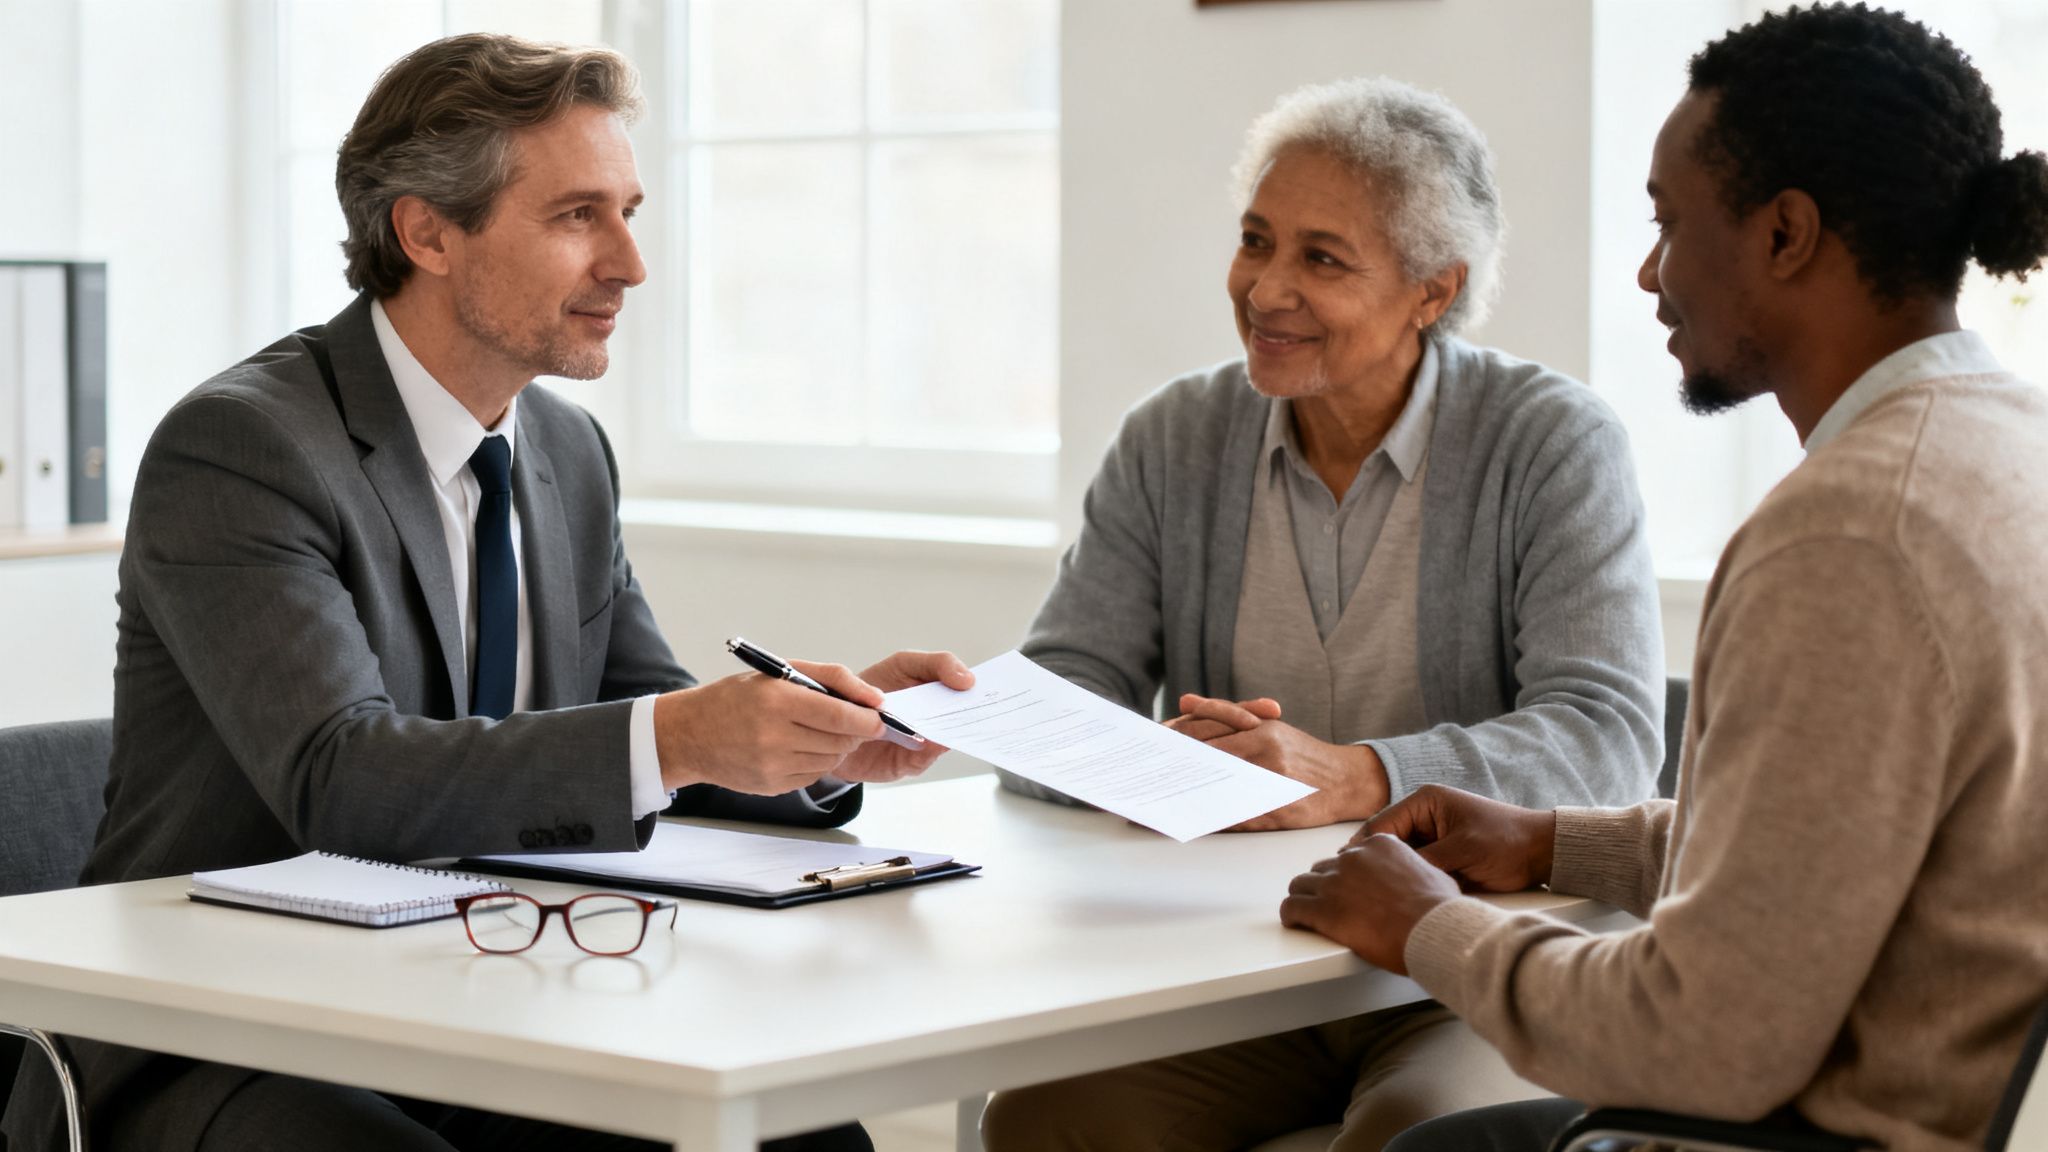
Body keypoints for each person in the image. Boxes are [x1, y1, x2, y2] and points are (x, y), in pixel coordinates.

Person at [0, 33, 972, 1152]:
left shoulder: (567, 454)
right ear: (427, 232)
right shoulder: (243, 448)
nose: (629, 264)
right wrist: (683, 734)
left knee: (807, 1139)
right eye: (576, 217)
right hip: (228, 1038)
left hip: (488, 999)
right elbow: (342, 779)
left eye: (629, 211)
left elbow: (648, 723)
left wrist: (807, 738)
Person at [1278, 7, 2048, 1151]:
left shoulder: (1846, 535)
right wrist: (1552, 843)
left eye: (1667, 224)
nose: (1648, 274)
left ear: (1784, 233)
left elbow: (1701, 1038)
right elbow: (1826, 845)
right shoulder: (2003, 446)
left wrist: (1426, 926)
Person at [983, 78, 1664, 1151]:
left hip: (1472, 965)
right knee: (1043, 1124)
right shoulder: (1174, 438)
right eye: (1256, 241)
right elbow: (1065, 680)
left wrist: (1351, 776)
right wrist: (1152, 761)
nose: (1264, 289)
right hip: (1245, 968)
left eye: (1321, 258)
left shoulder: (1550, 443)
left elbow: (1607, 743)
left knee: (1413, 1135)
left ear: (1431, 292)